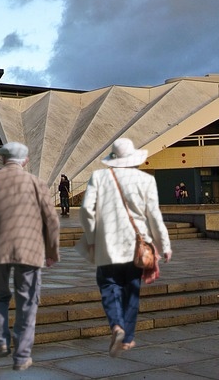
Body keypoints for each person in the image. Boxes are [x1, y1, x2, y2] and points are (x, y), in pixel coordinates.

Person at [0, 142, 60, 372]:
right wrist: (52, 251)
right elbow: (51, 220)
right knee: (28, 301)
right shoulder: (37, 183)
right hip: (30, 250)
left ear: (2, 159)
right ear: (26, 160)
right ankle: (22, 354)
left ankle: (1, 342)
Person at [79, 138, 172, 357]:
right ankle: (127, 337)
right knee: (132, 289)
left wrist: (92, 237)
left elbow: (85, 210)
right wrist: (164, 245)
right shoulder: (145, 180)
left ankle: (116, 326)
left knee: (109, 284)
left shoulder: (99, 177)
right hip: (136, 246)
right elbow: (154, 216)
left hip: (107, 245)